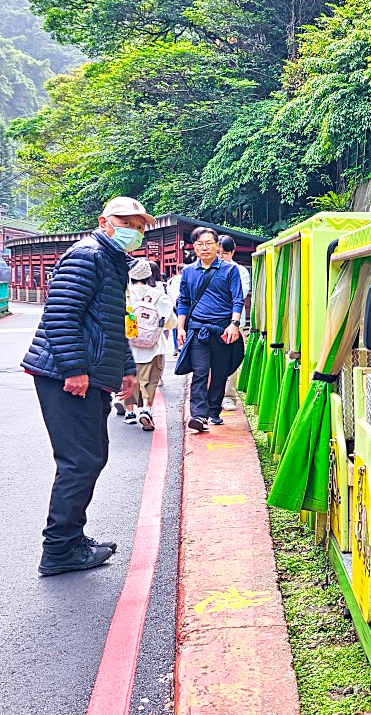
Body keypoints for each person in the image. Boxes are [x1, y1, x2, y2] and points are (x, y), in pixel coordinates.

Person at [21, 195, 155, 576]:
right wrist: (75, 369)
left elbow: (112, 323)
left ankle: (72, 538)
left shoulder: (112, 262)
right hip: (65, 376)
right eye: (126, 223)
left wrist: (125, 368)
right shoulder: (88, 255)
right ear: (104, 222)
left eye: (139, 226)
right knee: (79, 462)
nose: (134, 231)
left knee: (92, 456)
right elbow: (61, 315)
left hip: (89, 376)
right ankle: (59, 549)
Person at [176, 227, 243, 432]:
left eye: (208, 243)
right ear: (194, 247)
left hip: (222, 329)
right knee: (200, 371)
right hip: (198, 329)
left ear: (216, 246)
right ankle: (198, 415)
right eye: (199, 244)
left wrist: (234, 324)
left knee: (220, 372)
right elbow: (184, 301)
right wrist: (181, 327)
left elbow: (237, 299)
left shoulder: (230, 270)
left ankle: (214, 410)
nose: (204, 248)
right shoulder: (188, 271)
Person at [118, 258, 174, 430]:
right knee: (151, 379)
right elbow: (170, 322)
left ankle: (129, 411)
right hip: (154, 345)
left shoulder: (123, 294)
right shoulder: (159, 295)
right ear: (149, 275)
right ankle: (146, 409)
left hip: (127, 345)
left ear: (130, 275)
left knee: (129, 376)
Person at [218, 235, 250, 413]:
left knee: (231, 358)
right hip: (213, 320)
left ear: (232, 252)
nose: (221, 256)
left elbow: (239, 295)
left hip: (233, 322)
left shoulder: (240, 271)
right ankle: (213, 395)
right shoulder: (208, 269)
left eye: (225, 253)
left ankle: (229, 396)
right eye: (218, 253)